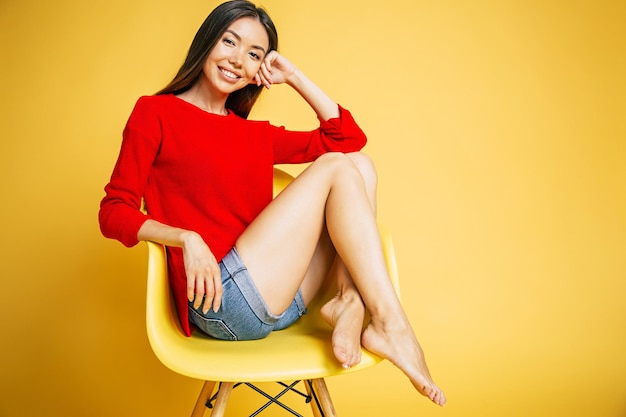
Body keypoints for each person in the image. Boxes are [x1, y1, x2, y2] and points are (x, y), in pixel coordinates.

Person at [99, 0, 446, 406]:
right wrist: (185, 239)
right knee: (338, 167)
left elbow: (348, 138)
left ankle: (349, 301)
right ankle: (390, 323)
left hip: (281, 299)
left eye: (254, 54)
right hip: (220, 302)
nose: (236, 60)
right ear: (207, 41)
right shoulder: (155, 113)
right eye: (229, 41)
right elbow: (113, 211)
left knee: (358, 165)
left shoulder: (253, 135)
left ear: (260, 70)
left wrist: (294, 77)